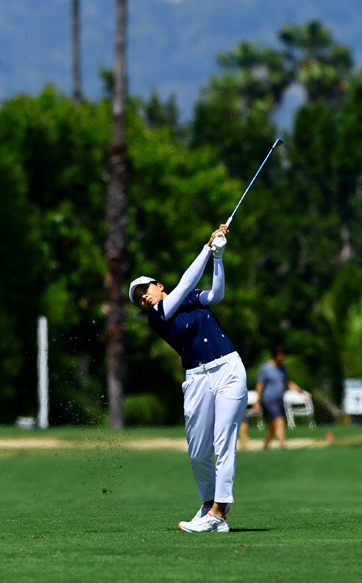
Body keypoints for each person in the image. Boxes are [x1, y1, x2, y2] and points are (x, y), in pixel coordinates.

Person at [129, 223, 248, 534]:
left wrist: (218, 257)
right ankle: (208, 506)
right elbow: (185, 283)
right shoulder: (158, 315)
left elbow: (216, 295)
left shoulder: (191, 299)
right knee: (197, 452)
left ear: (158, 285)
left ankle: (218, 514)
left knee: (223, 441)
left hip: (228, 370)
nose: (143, 299)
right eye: (138, 299)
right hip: (196, 379)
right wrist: (208, 248)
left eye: (145, 291)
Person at [255, 345, 307, 449]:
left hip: (279, 399)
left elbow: (288, 382)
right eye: (280, 355)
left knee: (273, 424)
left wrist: (300, 391)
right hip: (269, 399)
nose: (282, 358)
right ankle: (282, 444)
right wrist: (257, 402)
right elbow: (260, 385)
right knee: (279, 419)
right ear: (275, 355)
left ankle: (266, 445)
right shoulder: (266, 368)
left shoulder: (282, 368)